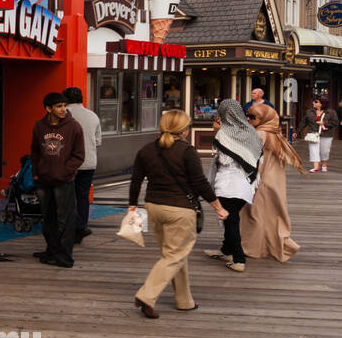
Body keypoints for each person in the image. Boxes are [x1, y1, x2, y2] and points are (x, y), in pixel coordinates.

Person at [127, 110, 228, 318]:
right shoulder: (186, 151)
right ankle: (147, 295)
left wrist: (131, 205)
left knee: (173, 254)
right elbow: (199, 183)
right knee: (175, 254)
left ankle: (184, 301)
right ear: (183, 130)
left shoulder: (146, 150)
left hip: (153, 207)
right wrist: (218, 207)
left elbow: (136, 179)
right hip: (180, 209)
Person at [202, 100, 263, 273]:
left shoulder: (224, 134)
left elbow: (225, 160)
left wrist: (217, 134)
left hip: (228, 184)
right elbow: (258, 158)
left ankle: (238, 259)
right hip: (246, 185)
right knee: (233, 217)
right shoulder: (251, 131)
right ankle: (225, 250)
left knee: (231, 222)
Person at [241, 105, 305, 262]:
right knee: (272, 215)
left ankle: (254, 248)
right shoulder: (275, 133)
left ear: (263, 119)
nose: (248, 119)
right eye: (247, 116)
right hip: (275, 181)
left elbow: (251, 160)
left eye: (252, 117)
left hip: (261, 180)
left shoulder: (260, 134)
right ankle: (274, 246)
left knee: (253, 214)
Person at [30, 91, 85, 268]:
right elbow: (35, 150)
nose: (63, 110)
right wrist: (37, 172)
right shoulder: (39, 126)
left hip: (64, 181)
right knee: (48, 217)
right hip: (44, 180)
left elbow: (79, 155)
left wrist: (65, 172)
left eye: (64, 106)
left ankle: (65, 255)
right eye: (59, 106)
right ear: (48, 108)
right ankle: (51, 250)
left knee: (66, 218)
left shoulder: (74, 126)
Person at [63, 87, 101, 244]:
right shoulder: (93, 116)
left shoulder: (64, 115)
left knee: (66, 197)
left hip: (69, 164)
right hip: (89, 163)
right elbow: (98, 141)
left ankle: (67, 228)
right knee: (83, 196)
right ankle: (81, 226)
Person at [303, 97, 338, 172]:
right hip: (313, 134)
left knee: (324, 151)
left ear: (321, 104)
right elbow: (304, 122)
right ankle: (316, 167)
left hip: (326, 135)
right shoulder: (310, 112)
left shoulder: (331, 112)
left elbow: (335, 123)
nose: (313, 103)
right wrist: (296, 132)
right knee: (313, 150)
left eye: (316, 102)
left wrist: (324, 123)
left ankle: (324, 165)